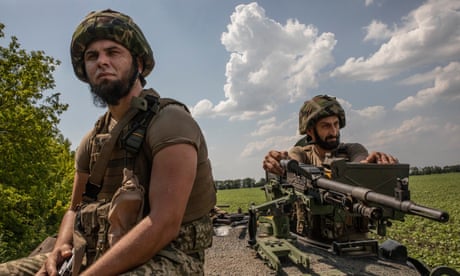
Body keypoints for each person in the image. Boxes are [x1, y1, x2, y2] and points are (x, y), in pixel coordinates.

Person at [0, 9, 216, 275]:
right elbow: (75, 209)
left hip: (170, 256)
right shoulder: (93, 140)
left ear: (138, 64)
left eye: (113, 52)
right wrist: (60, 247)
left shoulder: (170, 122)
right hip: (96, 252)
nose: (102, 61)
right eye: (92, 56)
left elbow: (164, 224)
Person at [263, 94, 399, 175]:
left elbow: (359, 164)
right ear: (310, 130)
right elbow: (294, 164)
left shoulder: (353, 149)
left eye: (336, 124)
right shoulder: (302, 153)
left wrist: (372, 164)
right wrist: (281, 162)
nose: (334, 132)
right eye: (326, 126)